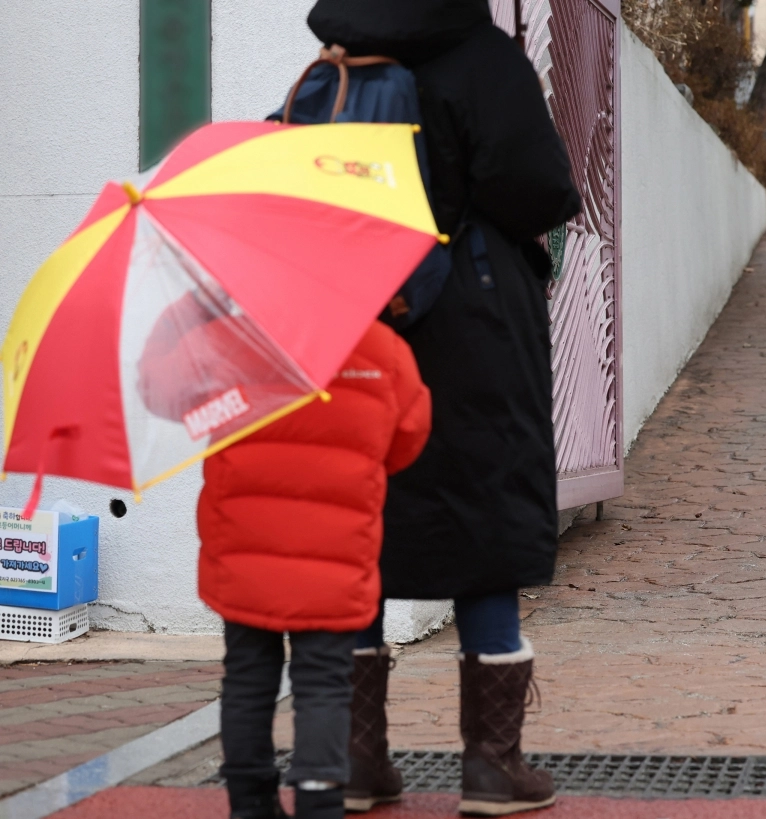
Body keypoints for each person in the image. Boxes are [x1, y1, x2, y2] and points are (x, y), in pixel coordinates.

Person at [303, 0, 582, 815]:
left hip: (356, 320)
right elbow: (539, 190)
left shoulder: (338, 65)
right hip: (474, 322)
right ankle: (493, 768)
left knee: (362, 525)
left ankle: (355, 761)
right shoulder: (484, 60)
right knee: (484, 511)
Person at [142, 314, 431, 819]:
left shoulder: (225, 337)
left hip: (243, 545)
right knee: (324, 681)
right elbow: (409, 433)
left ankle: (251, 802)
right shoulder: (380, 347)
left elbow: (162, 390)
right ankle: (320, 802)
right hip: (336, 549)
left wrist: (190, 308)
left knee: (247, 676)